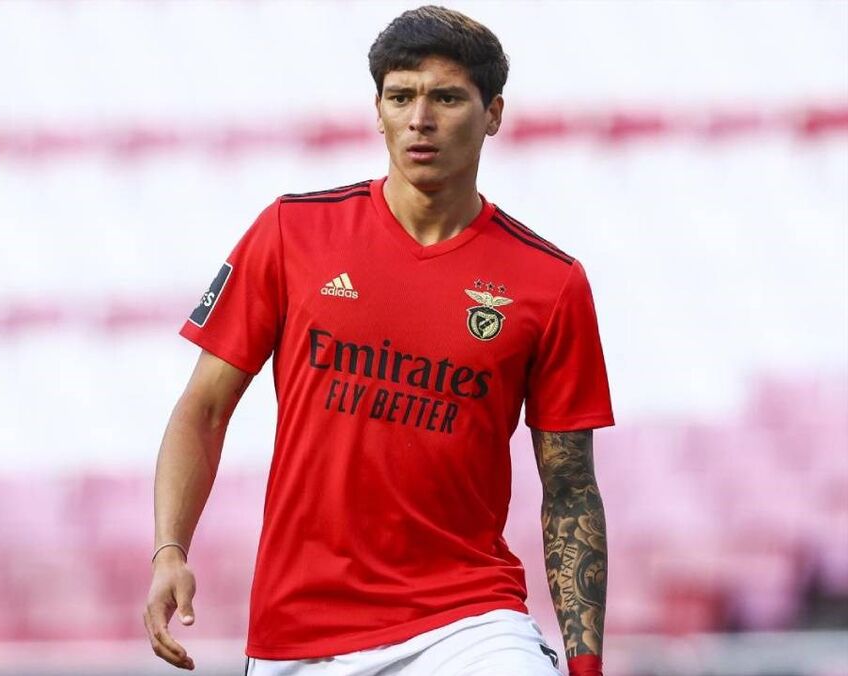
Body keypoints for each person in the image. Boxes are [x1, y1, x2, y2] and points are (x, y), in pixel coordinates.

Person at [144, 6, 612, 675]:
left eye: (446, 98)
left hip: (468, 622)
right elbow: (205, 408)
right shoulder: (291, 233)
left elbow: (569, 488)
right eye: (400, 97)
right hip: (299, 631)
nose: (420, 119)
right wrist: (169, 550)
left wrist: (586, 666)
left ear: (493, 113)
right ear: (378, 110)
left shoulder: (550, 283)